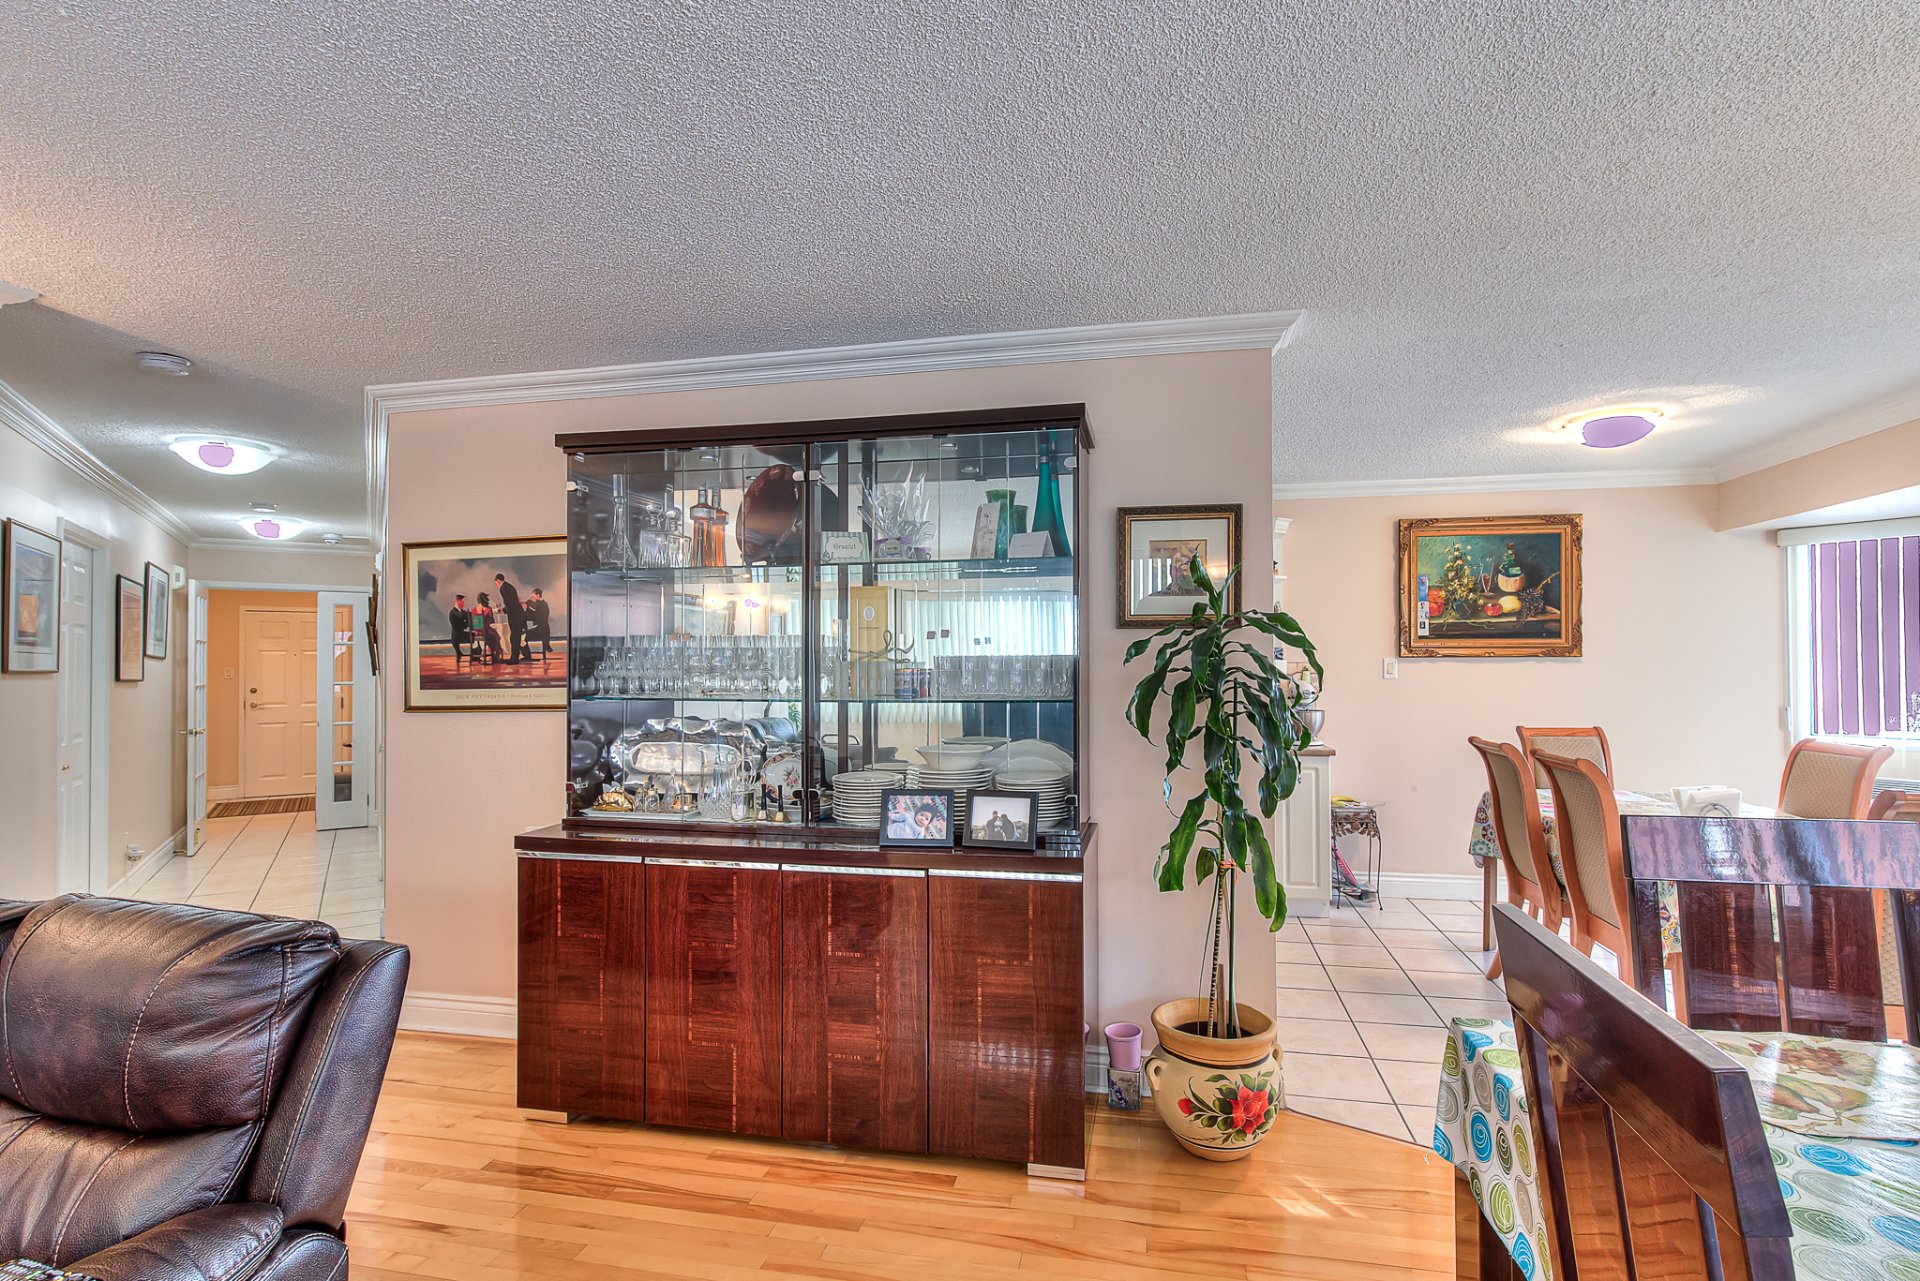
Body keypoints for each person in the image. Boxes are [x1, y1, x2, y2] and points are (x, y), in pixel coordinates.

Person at [494, 572, 529, 662]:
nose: (496, 585)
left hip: (514, 615)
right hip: (517, 614)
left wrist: (503, 610)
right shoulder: (509, 586)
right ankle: (518, 656)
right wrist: (504, 609)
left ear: (498, 581)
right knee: (516, 636)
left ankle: (514, 658)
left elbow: (509, 603)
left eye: (496, 583)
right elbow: (512, 602)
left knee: (514, 637)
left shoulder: (503, 588)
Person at [474, 592, 503, 663]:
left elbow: (476, 624)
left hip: (477, 633)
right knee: (497, 637)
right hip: (486, 632)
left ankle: (491, 655)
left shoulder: (474, 610)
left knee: (492, 637)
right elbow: (491, 622)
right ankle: (496, 657)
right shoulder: (488, 609)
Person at [525, 586, 553, 658]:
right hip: (541, 629)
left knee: (522, 637)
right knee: (523, 636)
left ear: (538, 595)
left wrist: (528, 604)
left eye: (533, 596)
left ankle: (527, 655)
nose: (532, 598)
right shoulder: (540, 604)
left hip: (541, 630)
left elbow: (538, 616)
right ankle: (527, 655)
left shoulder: (542, 604)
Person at [447, 593, 471, 663]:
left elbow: (466, 617)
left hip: (462, 634)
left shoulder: (463, 612)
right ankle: (460, 653)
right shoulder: (453, 612)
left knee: (475, 637)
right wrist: (467, 615)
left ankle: (475, 655)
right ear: (458, 601)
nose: (463, 604)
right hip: (456, 636)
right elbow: (461, 616)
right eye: (462, 602)